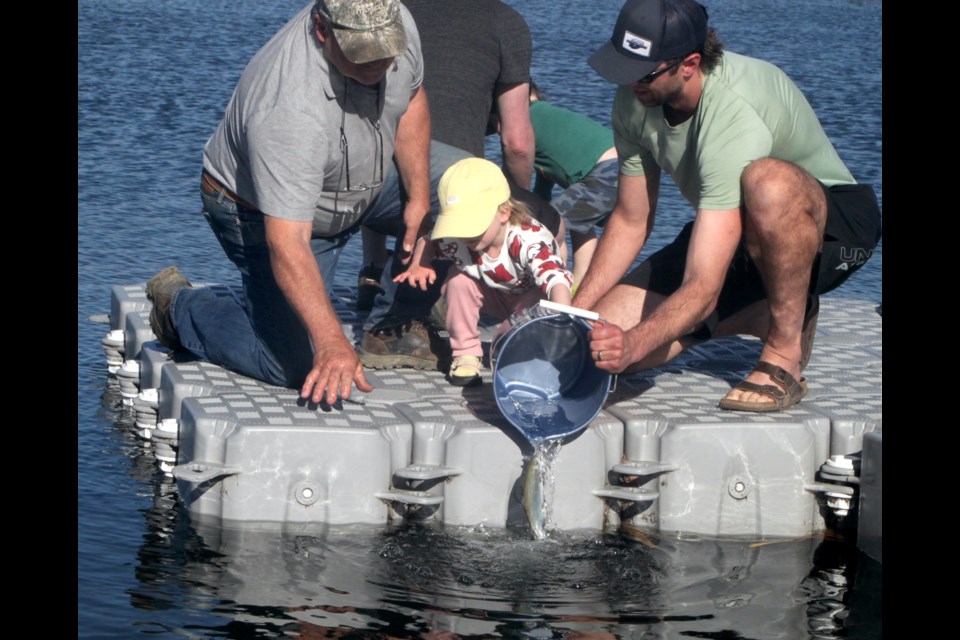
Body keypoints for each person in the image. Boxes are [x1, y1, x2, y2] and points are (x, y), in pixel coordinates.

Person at [145, 0, 466, 405]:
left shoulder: (394, 19)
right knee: (293, 364)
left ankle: (396, 322)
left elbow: (413, 98)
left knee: (468, 186)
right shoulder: (287, 109)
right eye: (361, 55)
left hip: (362, 182)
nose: (378, 63)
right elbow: (288, 242)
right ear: (321, 29)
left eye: (386, 52)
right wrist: (331, 341)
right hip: (263, 214)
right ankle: (181, 306)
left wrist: (418, 199)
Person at [577, 0, 881, 412]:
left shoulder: (732, 112)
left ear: (689, 64)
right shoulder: (636, 98)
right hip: (735, 226)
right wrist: (574, 314)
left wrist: (634, 343)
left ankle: (784, 350)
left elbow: (702, 286)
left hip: (828, 228)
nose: (630, 84)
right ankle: (756, 314)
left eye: (642, 73)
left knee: (767, 183)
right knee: (597, 350)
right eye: (623, 67)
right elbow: (632, 219)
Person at [357, 0, 538, 367]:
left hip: (365, 180)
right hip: (441, 195)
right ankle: (400, 324)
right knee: (476, 202)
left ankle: (380, 281)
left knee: (431, 206)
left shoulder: (393, 10)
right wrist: (518, 202)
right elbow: (516, 142)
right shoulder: (504, 22)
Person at [395, 158, 573, 386]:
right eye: (457, 224)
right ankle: (465, 353)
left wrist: (564, 317)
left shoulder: (527, 238)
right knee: (458, 280)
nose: (464, 234)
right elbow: (429, 241)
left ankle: (525, 350)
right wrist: (421, 264)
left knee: (510, 345)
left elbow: (555, 277)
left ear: (504, 212)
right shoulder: (458, 239)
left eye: (471, 224)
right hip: (492, 294)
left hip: (529, 298)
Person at [525, 81, 618, 287]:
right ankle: (581, 283)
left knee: (552, 224)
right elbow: (542, 191)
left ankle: (557, 283)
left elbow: (543, 211)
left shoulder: (526, 121)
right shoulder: (548, 117)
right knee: (579, 222)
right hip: (625, 167)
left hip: (607, 171)